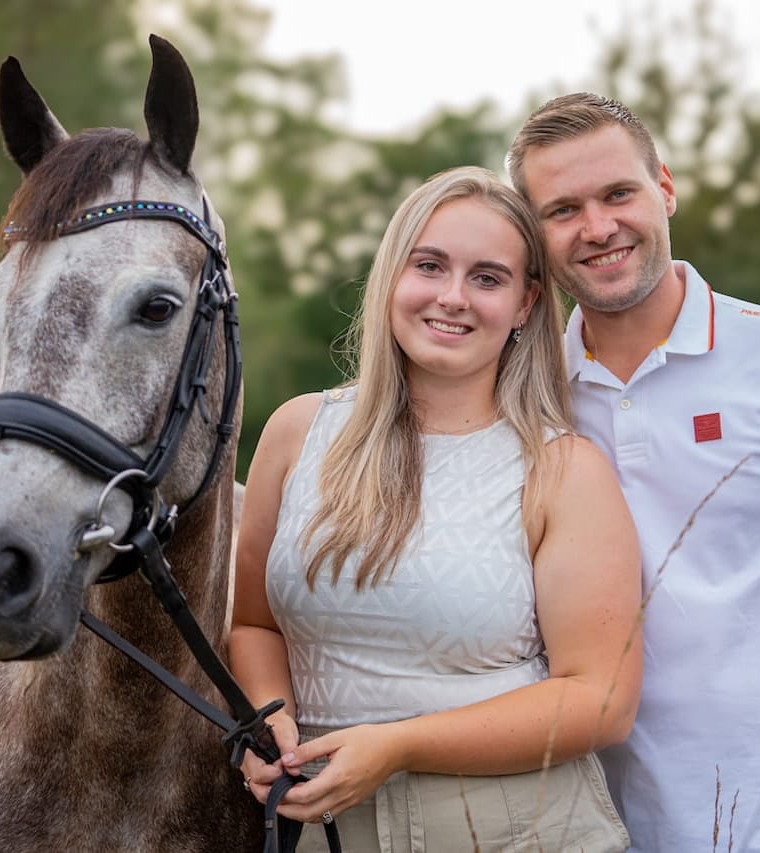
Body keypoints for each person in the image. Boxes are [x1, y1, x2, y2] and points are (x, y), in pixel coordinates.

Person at [228, 165, 642, 852]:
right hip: (325, 824)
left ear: (524, 304)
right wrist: (265, 720)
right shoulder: (297, 432)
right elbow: (252, 623)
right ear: (392, 275)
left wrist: (397, 745)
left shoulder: (562, 469)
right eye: (429, 266)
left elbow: (601, 698)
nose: (452, 297)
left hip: (515, 827)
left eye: (486, 277)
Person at [507, 93, 760, 852]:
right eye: (562, 209)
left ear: (666, 188)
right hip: (575, 821)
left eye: (618, 193)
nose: (598, 228)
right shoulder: (516, 395)